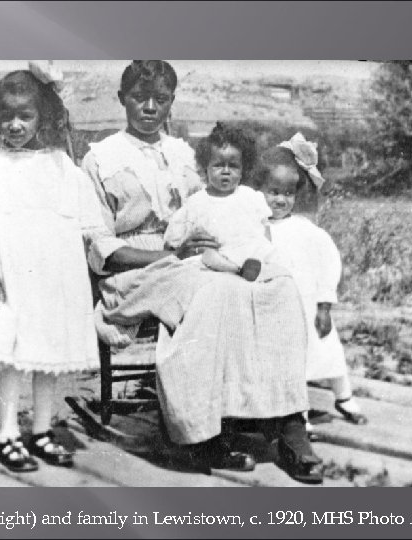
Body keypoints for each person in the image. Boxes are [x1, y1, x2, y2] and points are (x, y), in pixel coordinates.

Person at [82, 60, 323, 484]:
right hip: (135, 270)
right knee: (215, 291)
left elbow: (212, 210)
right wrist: (172, 253)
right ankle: (194, 436)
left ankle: (286, 419)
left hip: (197, 260)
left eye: (160, 99)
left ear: (172, 102)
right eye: (140, 98)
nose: (150, 108)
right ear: (122, 99)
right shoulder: (100, 158)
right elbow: (98, 246)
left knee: (280, 286)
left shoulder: (182, 154)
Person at [0, 70, 106, 472]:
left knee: (47, 356)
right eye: (7, 117)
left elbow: (83, 226)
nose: (16, 125)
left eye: (26, 116)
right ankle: (7, 433)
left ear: (43, 118)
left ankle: (41, 430)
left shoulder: (60, 165)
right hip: (9, 279)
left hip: (51, 281)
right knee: (10, 358)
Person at [256, 133, 368, 428]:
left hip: (309, 305)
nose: (280, 199)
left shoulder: (306, 230)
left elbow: (328, 264)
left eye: (288, 194)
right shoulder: (255, 228)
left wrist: (325, 305)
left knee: (328, 349)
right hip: (278, 308)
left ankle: (343, 396)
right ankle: (297, 414)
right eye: (273, 192)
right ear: (259, 191)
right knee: (289, 361)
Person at [164, 122, 276, 281]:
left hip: (247, 254)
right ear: (206, 168)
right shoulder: (197, 201)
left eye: (233, 166)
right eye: (218, 165)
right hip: (214, 258)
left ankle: (247, 270)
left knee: (258, 253)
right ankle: (236, 271)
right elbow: (175, 237)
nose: (225, 171)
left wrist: (263, 252)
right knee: (207, 257)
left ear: (243, 169)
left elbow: (265, 231)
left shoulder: (250, 197)